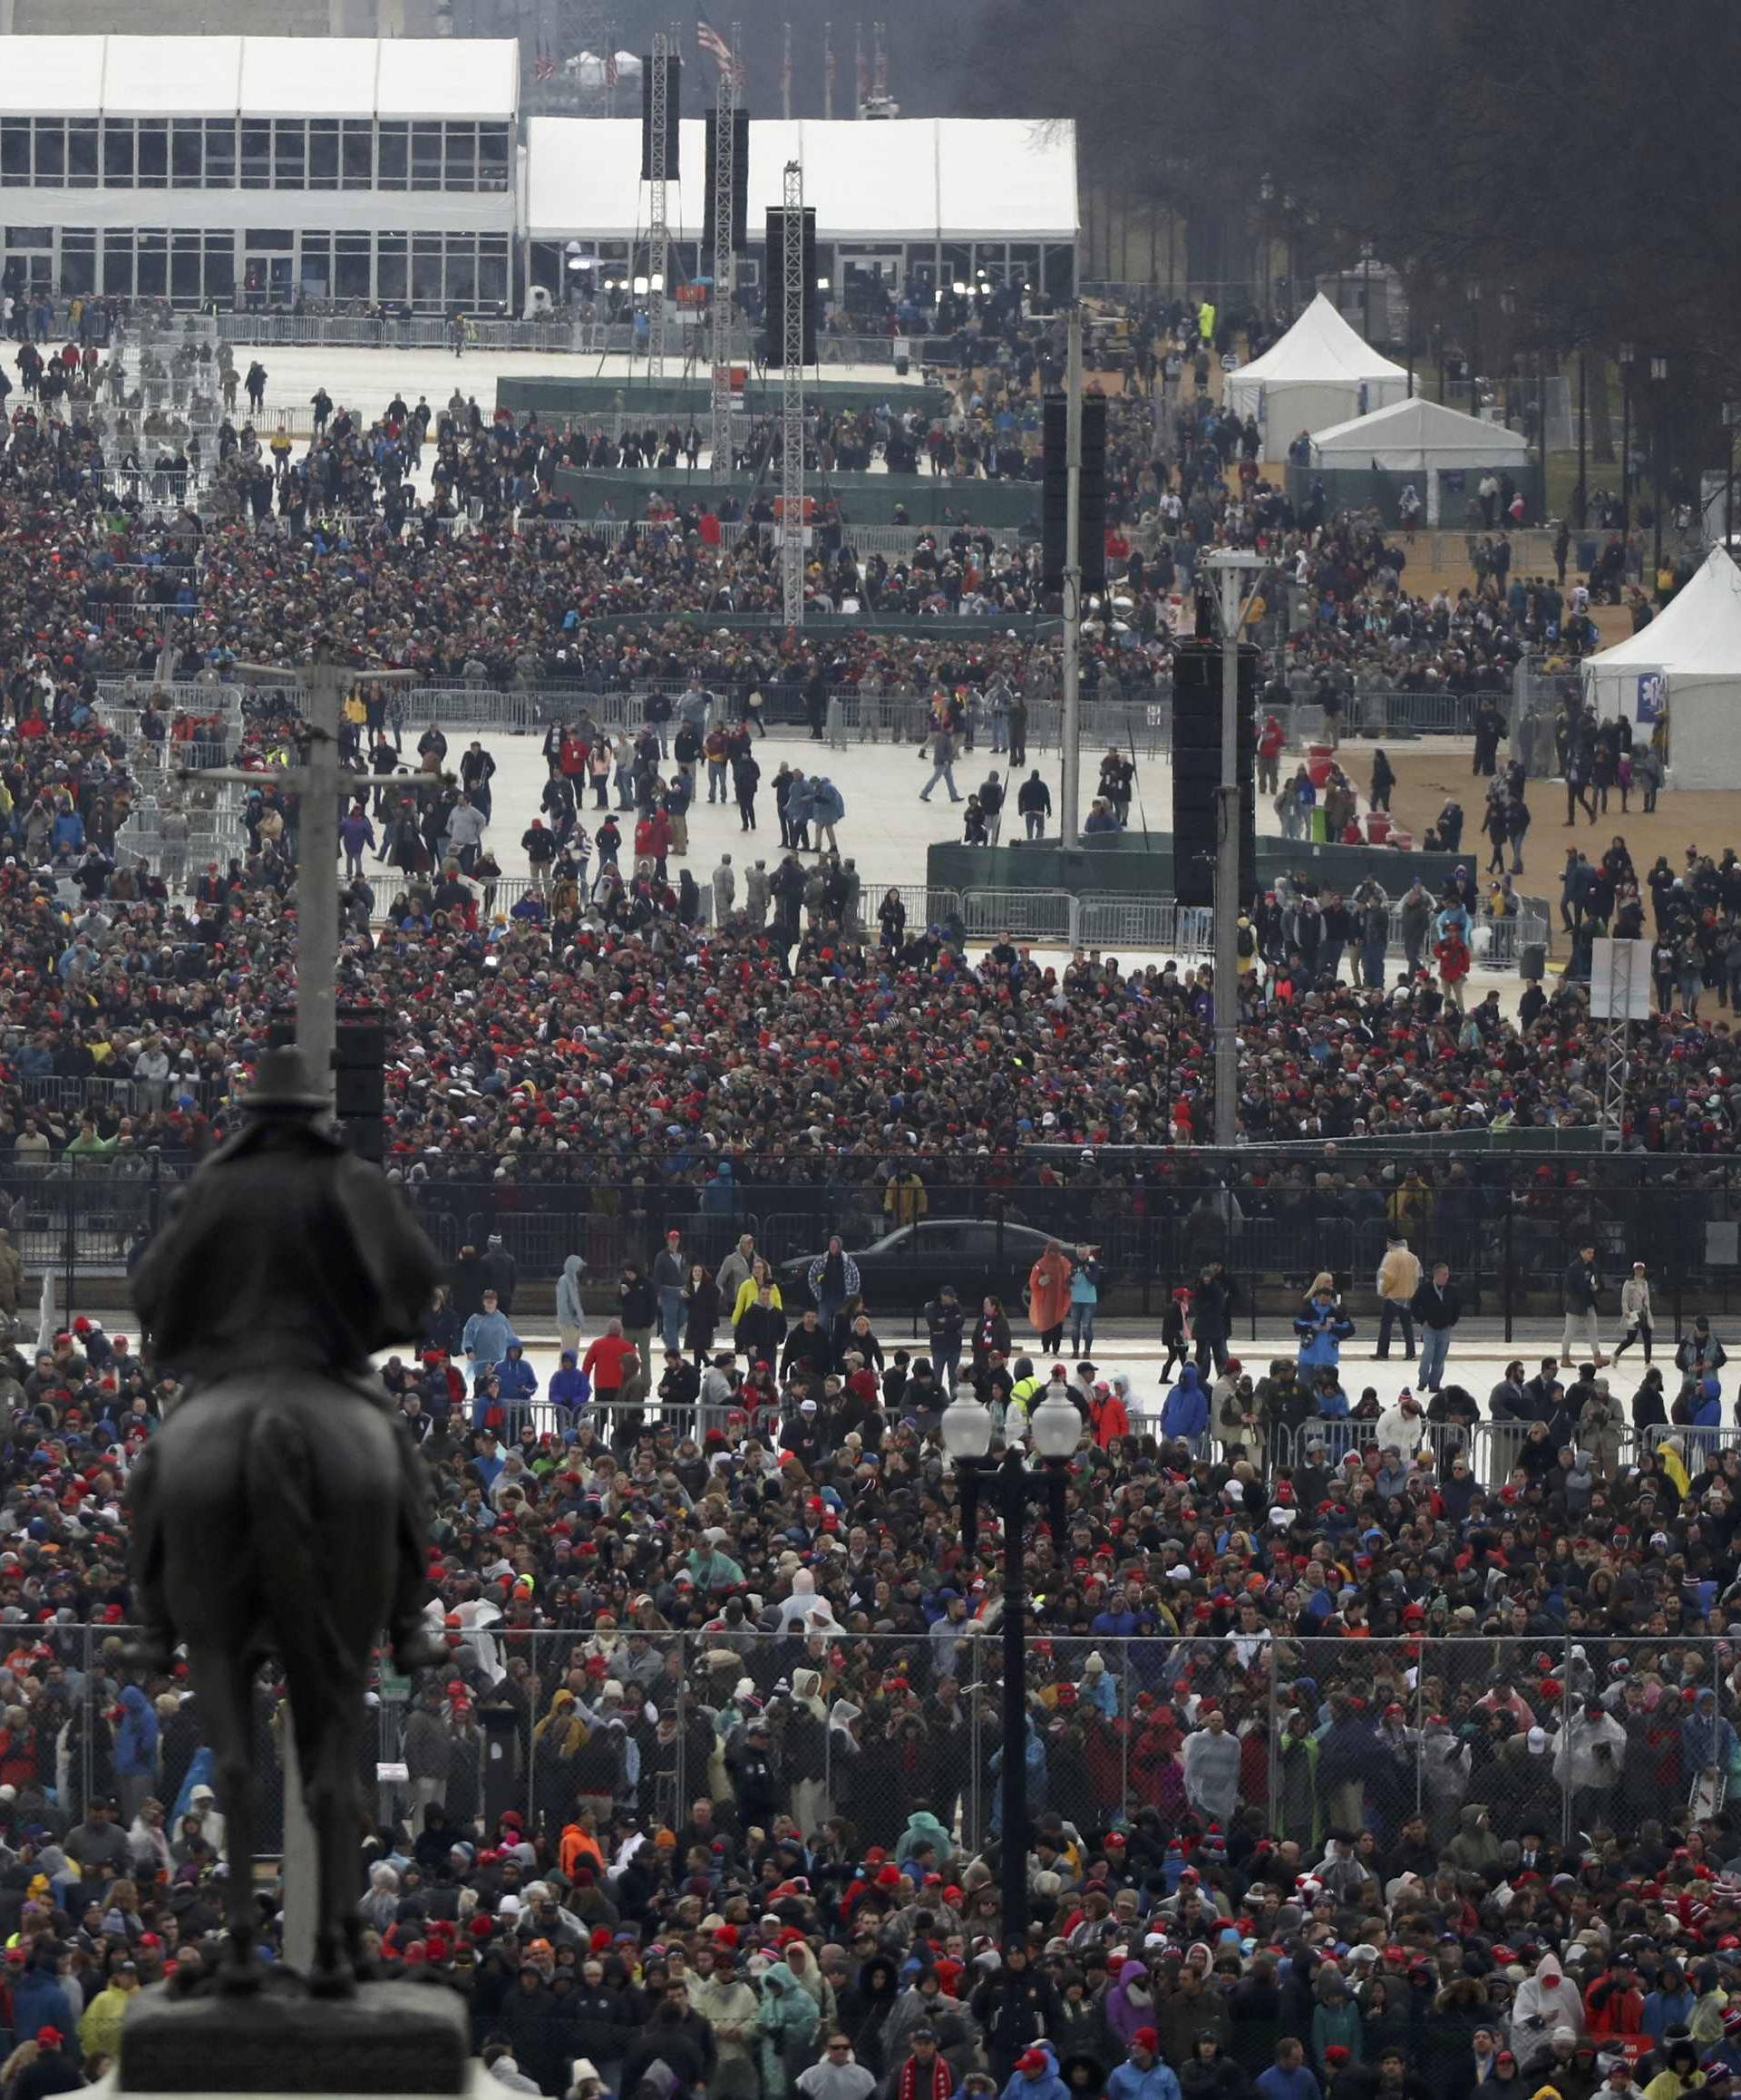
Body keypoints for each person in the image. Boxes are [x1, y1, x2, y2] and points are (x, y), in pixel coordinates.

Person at [1410, 1260, 1462, 1394]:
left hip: (1445, 1328)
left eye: (1447, 1274)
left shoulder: (1451, 1290)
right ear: (1436, 1275)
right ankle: (1423, 1381)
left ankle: (1434, 1384)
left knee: (1440, 1357)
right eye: (1444, 1274)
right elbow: (1414, 1305)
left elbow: (1457, 1307)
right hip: (1430, 1328)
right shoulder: (1424, 1290)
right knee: (1428, 1354)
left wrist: (1452, 1321)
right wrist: (1422, 1320)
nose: (1446, 1277)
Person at [1374, 1233, 1421, 1362]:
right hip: (1407, 1295)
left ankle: (1382, 1352)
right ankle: (1410, 1353)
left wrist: (1383, 1291)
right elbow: (1417, 1276)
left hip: (1393, 1295)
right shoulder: (1412, 1257)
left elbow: (1388, 1277)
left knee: (1386, 1325)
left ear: (1391, 1243)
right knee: (1407, 1325)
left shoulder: (1391, 1257)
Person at [1561, 1243, 1606, 1367]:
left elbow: (1599, 1282)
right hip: (1575, 1305)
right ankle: (1565, 1357)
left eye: (1592, 1252)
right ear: (1581, 1253)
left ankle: (1597, 1356)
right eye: (1588, 1252)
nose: (1591, 1255)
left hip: (1589, 1303)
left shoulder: (1593, 1267)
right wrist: (1578, 1298)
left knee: (1593, 1331)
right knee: (1570, 1331)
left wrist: (1597, 1288)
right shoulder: (1573, 1268)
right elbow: (1569, 1287)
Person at [1027, 1241, 1075, 1355]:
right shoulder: (1042, 1264)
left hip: (1057, 1300)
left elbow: (1070, 1278)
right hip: (1047, 1300)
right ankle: (1047, 1349)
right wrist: (1042, 1281)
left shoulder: (1062, 1263)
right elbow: (1034, 1282)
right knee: (1047, 1325)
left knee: (1056, 1325)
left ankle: (1055, 1349)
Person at [1613, 1260, 1653, 1364]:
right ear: (1634, 1270)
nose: (1639, 1271)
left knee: (1647, 1338)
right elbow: (1624, 1299)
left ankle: (1647, 1362)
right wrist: (1626, 1311)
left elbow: (1647, 1298)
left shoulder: (1644, 1283)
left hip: (1643, 1312)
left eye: (1641, 1269)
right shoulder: (1628, 1283)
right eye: (1637, 1269)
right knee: (1631, 1338)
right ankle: (1616, 1354)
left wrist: (1647, 1308)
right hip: (1632, 1313)